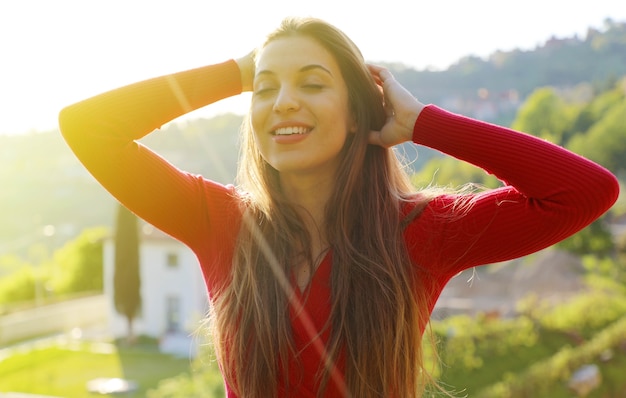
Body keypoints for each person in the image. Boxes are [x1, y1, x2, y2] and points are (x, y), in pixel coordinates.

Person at [58, 16, 619, 398]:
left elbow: (585, 192)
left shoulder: (422, 232)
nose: (284, 101)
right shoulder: (219, 223)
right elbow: (88, 128)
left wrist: (423, 122)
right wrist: (236, 71)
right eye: (266, 87)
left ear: (357, 114)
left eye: (312, 82)